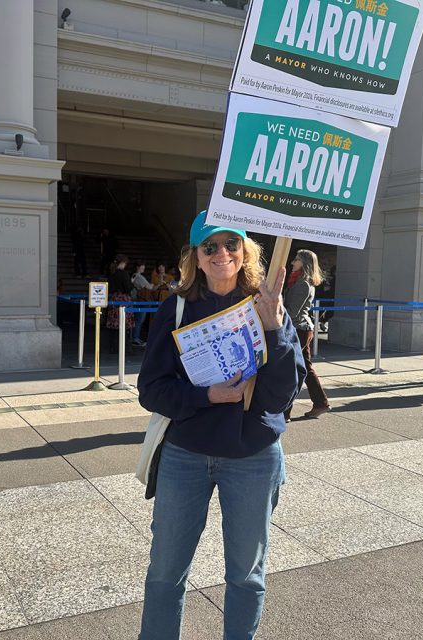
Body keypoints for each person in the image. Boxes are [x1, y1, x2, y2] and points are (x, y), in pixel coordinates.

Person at [136, 210, 305, 640]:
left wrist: (273, 330)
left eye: (232, 243)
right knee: (165, 573)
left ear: (246, 250)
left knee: (247, 574)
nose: (222, 253)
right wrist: (207, 396)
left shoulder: (266, 304)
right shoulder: (175, 308)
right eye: (210, 246)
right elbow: (151, 390)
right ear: (195, 255)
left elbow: (282, 395)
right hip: (185, 455)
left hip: (252, 456)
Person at [283, 249, 330, 419]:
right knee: (304, 367)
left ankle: (285, 412)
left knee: (291, 370)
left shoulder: (302, 284)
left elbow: (292, 312)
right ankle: (320, 403)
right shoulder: (298, 281)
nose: (292, 262)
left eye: (296, 259)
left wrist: (274, 306)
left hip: (298, 329)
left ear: (305, 263)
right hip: (300, 328)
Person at [106, 254, 134, 352]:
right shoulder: (124, 274)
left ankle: (112, 347)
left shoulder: (112, 273)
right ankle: (124, 347)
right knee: (125, 325)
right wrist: (132, 283)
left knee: (114, 325)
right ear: (122, 263)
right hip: (123, 299)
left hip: (114, 299)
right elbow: (128, 288)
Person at [131, 262, 156, 346]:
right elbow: (149, 287)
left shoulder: (134, 276)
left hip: (136, 300)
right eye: (142, 266)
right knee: (139, 320)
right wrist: (156, 283)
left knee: (137, 320)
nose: (144, 267)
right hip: (141, 300)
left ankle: (135, 337)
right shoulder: (139, 277)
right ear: (138, 267)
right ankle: (135, 338)